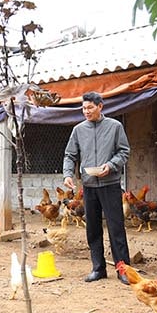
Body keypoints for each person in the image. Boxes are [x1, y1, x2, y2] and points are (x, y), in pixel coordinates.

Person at [64, 91, 132, 283]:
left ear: (100, 106)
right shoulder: (78, 130)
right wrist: (68, 174)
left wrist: (110, 165)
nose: (86, 111)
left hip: (110, 184)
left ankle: (123, 270)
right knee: (92, 229)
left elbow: (124, 151)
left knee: (116, 227)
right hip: (89, 185)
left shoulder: (115, 127)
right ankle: (98, 268)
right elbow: (70, 155)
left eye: (90, 108)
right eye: (84, 108)